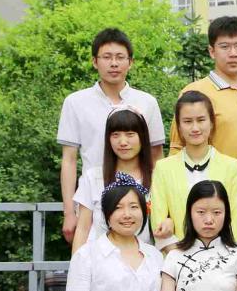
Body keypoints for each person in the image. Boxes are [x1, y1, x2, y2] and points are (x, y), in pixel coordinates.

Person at [58, 28, 165, 243]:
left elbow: (157, 158)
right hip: (92, 202)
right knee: (91, 257)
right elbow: (69, 160)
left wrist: (161, 207)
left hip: (139, 204)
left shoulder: (147, 102)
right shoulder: (76, 102)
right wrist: (69, 212)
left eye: (120, 57)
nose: (113, 63)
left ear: (130, 62)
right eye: (106, 57)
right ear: (94, 61)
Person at [151, 91, 237, 246]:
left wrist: (224, 255)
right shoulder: (163, 168)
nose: (195, 128)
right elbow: (158, 223)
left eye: (201, 120)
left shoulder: (232, 166)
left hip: (224, 256)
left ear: (212, 122)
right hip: (177, 255)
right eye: (187, 121)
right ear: (179, 126)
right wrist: (179, 255)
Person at [171, 16, 237, 166]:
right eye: (224, 47)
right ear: (212, 51)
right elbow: (177, 147)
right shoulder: (194, 92)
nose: (233, 53)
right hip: (208, 179)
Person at [72, 107, 155, 253]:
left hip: (142, 260)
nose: (123, 142)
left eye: (130, 134)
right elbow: (82, 229)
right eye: (115, 135)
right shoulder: (93, 177)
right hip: (98, 260)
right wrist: (77, 264)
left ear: (142, 137)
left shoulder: (157, 178)